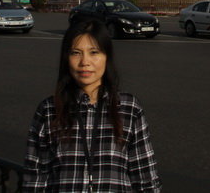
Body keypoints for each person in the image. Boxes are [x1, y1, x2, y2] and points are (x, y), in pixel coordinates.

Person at [23, 20, 162, 192]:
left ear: (106, 57)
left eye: (94, 52)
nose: (85, 62)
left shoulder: (128, 108)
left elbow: (146, 180)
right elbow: (35, 180)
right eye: (76, 53)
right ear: (66, 58)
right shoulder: (49, 110)